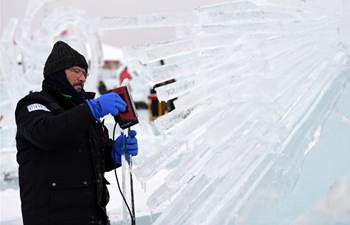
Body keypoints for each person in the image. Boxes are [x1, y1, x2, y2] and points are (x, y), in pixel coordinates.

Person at [15, 41, 139, 225]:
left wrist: (113, 153)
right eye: (75, 70)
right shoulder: (33, 105)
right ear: (56, 72)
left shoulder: (84, 111)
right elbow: (48, 133)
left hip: (93, 218)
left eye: (84, 73)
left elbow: (88, 158)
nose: (82, 77)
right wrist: (92, 110)